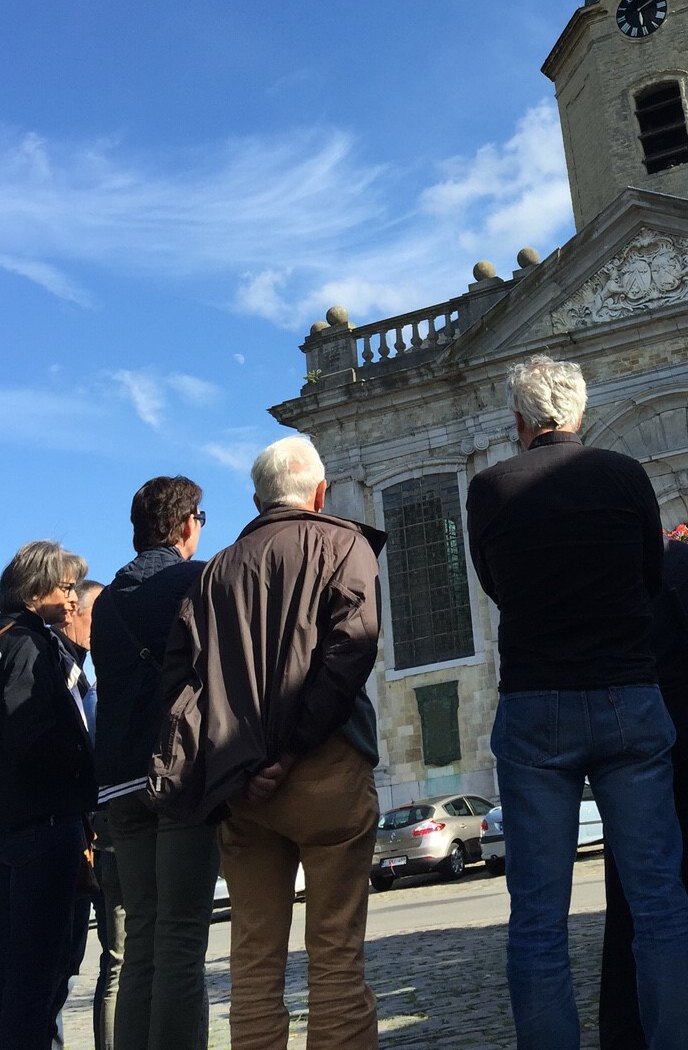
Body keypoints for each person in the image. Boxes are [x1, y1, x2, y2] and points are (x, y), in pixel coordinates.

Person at [466, 355, 688, 1050]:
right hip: (628, 692)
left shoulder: (490, 487)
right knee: (661, 899)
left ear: (519, 421)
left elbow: (496, 583)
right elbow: (649, 575)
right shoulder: (626, 476)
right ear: (580, 414)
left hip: (536, 701)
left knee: (538, 915)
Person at [152, 436, 385, 1050]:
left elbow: (184, 689)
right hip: (326, 765)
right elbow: (349, 656)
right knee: (336, 955)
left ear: (257, 501)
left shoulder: (213, 573)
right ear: (319, 492)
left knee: (254, 964)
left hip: (241, 784)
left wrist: (242, 763)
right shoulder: (345, 544)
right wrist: (290, 750)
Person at [599, 534, 688, 1050]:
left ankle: (626, 1031)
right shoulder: (685, 563)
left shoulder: (606, 572)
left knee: (628, 897)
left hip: (631, 738)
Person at [93, 476, 215, 1050]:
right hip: (179, 773)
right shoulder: (196, 582)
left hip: (118, 782)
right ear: (188, 522)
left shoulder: (107, 600)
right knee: (183, 938)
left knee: (141, 937)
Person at [0, 542, 96, 1050]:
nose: (72, 600)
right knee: (34, 978)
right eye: (66, 588)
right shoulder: (26, 643)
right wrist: (82, 774)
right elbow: (31, 734)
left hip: (2, 823)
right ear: (35, 588)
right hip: (38, 825)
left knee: (2, 972)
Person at [53, 578, 117, 1050]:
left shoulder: (87, 677)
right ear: (72, 613)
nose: (102, 627)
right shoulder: (61, 674)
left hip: (93, 838)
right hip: (74, 840)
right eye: (96, 615)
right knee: (63, 970)